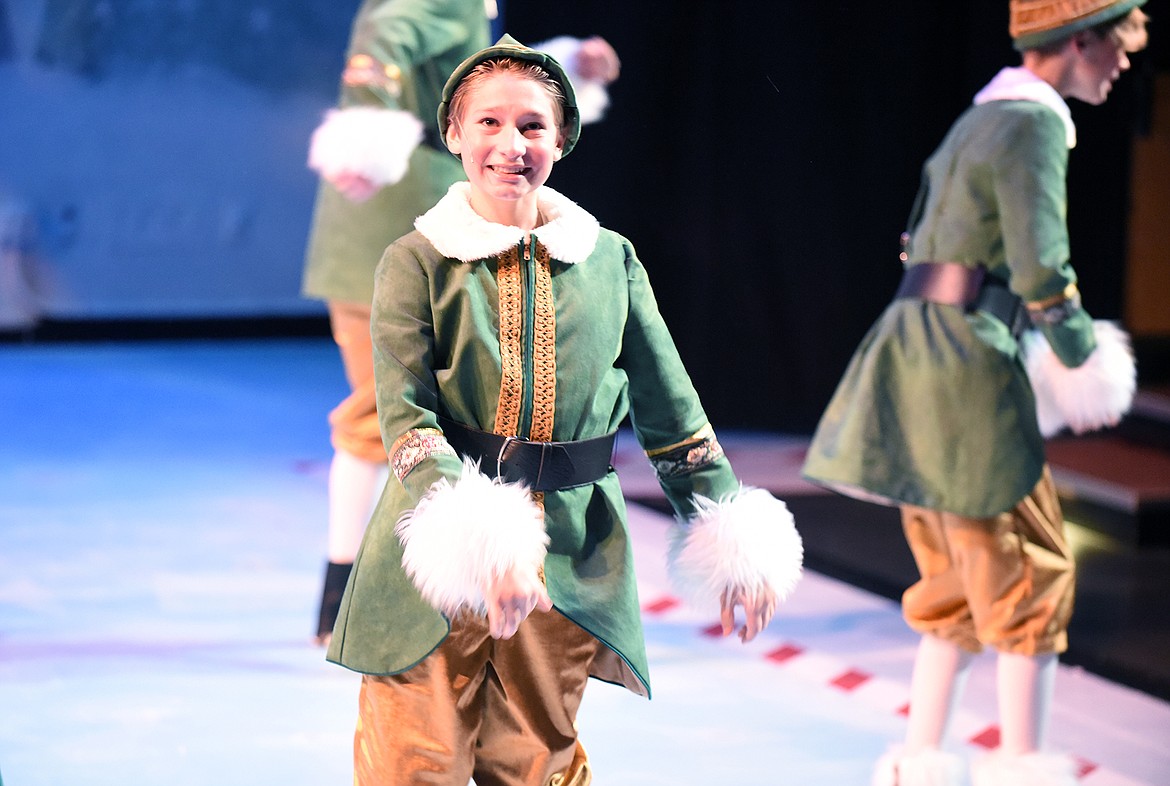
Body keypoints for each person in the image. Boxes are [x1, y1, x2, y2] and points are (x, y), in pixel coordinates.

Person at [324, 35, 804, 785]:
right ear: (453, 133)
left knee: (535, 765)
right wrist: (482, 542)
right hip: (436, 553)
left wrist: (730, 535)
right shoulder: (415, 262)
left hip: (570, 548)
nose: (509, 144)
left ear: (562, 139)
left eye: (532, 126)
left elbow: (670, 410)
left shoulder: (609, 259)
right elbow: (408, 421)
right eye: (487, 123)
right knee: (412, 764)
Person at [802, 2, 1147, 784]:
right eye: (1118, 46)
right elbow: (1042, 270)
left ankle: (921, 758)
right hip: (967, 364)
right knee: (1030, 562)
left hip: (913, 350)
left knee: (955, 574)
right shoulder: (1030, 124)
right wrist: (1081, 356)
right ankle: (1025, 763)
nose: (1124, 64)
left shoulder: (978, 118)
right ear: (1080, 39)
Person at [301, 0, 620, 646]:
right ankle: (345, 590)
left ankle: (393, 587)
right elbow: (382, 39)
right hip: (401, 222)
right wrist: (364, 132)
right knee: (384, 410)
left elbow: (474, 72)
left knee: (434, 409)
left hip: (432, 222)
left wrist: (566, 61)